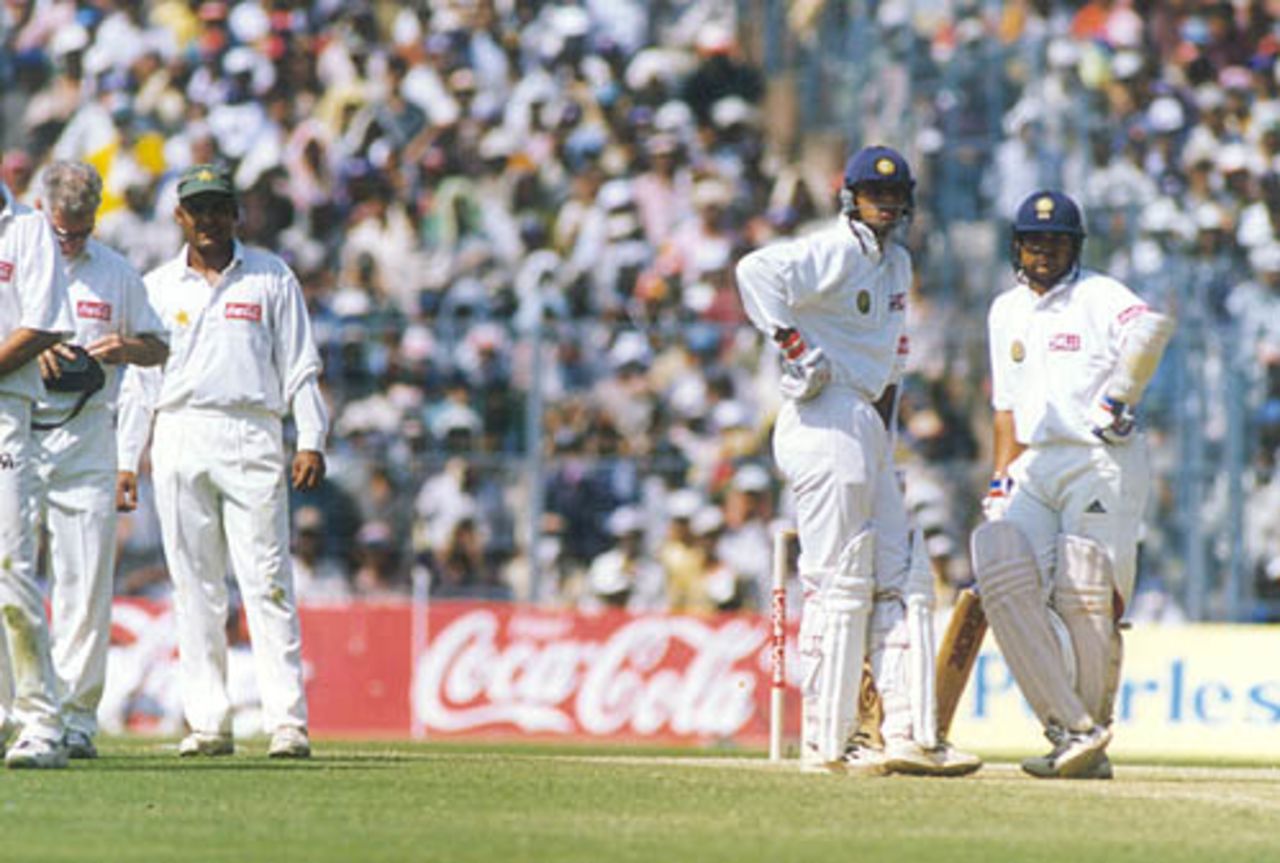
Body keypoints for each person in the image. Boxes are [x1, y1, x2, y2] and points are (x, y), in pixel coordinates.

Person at [736, 145, 980, 776]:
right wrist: (793, 345)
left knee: (905, 576)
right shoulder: (836, 248)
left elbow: (892, 365)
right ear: (851, 196)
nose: (888, 204)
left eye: (895, 195)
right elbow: (754, 272)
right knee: (839, 580)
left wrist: (885, 438)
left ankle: (907, 733)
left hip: (867, 420)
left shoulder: (896, 263)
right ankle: (827, 739)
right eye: (876, 193)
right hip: (823, 415)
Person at [117, 163, 329, 759]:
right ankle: (208, 722)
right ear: (180, 217)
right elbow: (140, 384)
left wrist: (310, 436)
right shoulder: (158, 286)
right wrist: (126, 459)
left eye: (218, 208)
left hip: (252, 433)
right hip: (180, 433)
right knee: (195, 588)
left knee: (267, 582)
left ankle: (287, 721)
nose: (208, 220)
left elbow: (301, 366)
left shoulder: (270, 276)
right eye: (197, 209)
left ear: (236, 214)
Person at [974, 190, 1174, 779]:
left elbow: (1150, 330)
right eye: (1034, 241)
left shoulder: (1098, 294)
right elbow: (1005, 407)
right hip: (1034, 465)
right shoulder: (1003, 311)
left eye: (1056, 241)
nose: (1044, 251)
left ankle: (1090, 737)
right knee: (1000, 571)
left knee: (1087, 596)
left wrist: (1119, 398)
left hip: (1099, 459)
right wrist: (998, 478)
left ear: (1074, 246)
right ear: (1017, 246)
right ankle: (1069, 727)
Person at [25, 161, 168, 760]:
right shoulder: (12, 263)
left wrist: (122, 348)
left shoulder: (116, 273)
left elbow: (159, 344)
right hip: (18, 430)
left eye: (82, 231)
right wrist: (34, 351)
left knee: (85, 583)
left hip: (89, 432)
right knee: (12, 578)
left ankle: (78, 716)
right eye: (62, 231)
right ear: (40, 213)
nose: (72, 242)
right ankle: (21, 708)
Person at [0, 164, 75, 768]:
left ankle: (42, 722)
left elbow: (46, 323)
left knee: (10, 563)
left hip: (5, 412)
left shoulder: (26, 228)